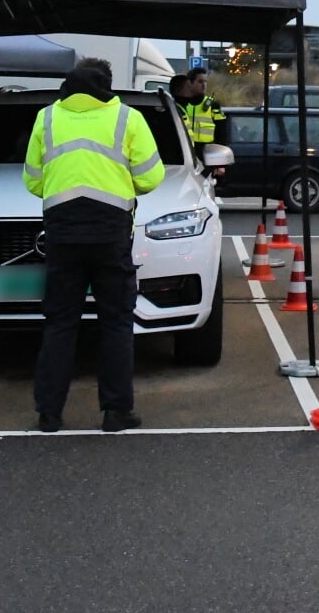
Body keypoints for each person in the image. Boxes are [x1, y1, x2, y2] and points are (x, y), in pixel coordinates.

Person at [26, 65, 166, 432]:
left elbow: (32, 180)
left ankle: (49, 413)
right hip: (111, 233)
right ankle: (116, 412)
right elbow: (151, 176)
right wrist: (119, 184)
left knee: (60, 323)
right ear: (107, 85)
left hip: (62, 234)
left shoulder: (47, 118)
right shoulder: (127, 118)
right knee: (116, 322)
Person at [179, 67, 224, 151]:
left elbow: (221, 132)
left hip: (207, 153)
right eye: (200, 82)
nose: (204, 85)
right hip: (186, 151)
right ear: (190, 83)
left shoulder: (213, 105)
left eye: (205, 81)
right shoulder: (181, 104)